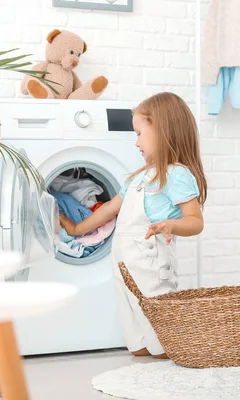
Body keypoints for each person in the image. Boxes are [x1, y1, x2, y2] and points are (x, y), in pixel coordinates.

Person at [60, 92, 207, 358]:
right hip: (123, 259)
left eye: (139, 133)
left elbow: (195, 222)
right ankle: (146, 353)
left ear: (162, 131)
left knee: (156, 318)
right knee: (135, 332)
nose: (136, 142)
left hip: (150, 258)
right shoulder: (140, 177)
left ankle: (174, 352)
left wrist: (171, 225)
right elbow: (108, 209)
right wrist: (75, 229)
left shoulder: (177, 175)